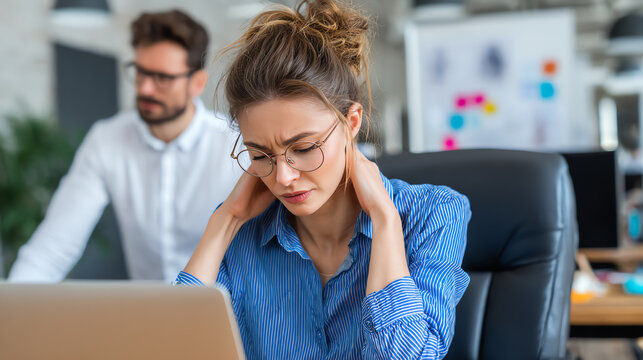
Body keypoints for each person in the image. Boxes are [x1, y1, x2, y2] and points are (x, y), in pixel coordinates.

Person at [175, 0, 471, 358]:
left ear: (352, 123)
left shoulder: (434, 214)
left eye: (303, 148)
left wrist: (385, 218)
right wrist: (226, 221)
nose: (283, 177)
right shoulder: (243, 232)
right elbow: (175, 348)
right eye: (261, 156)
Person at [9, 10, 241, 282]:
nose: (145, 89)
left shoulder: (235, 144)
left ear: (197, 83)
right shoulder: (107, 139)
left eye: (162, 78)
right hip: (144, 316)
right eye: (140, 73)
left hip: (223, 312)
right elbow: (53, 248)